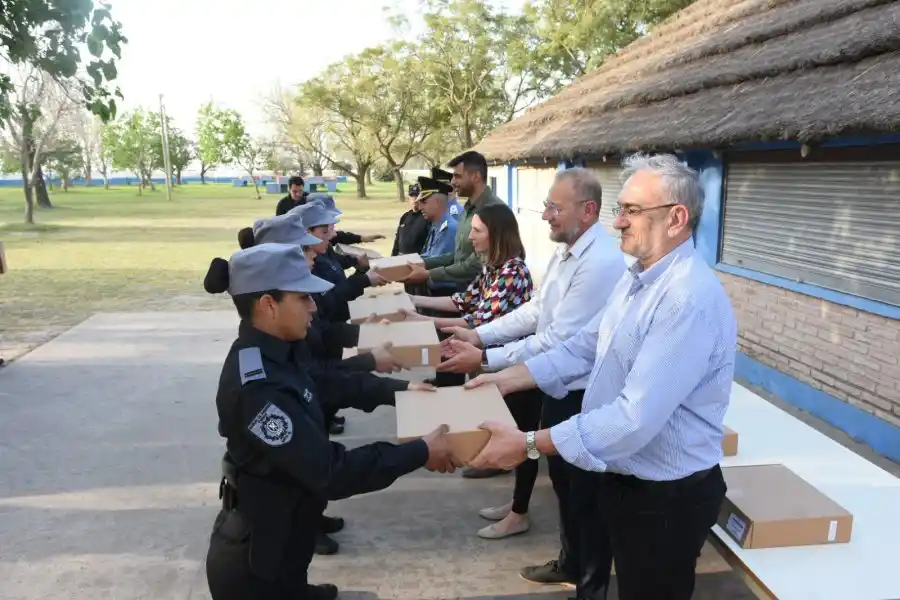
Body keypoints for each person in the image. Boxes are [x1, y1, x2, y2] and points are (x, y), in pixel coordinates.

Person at [464, 153, 738, 600]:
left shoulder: (685, 299)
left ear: (676, 219)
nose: (618, 222)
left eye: (632, 211)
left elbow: (633, 418)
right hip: (629, 479)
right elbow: (585, 345)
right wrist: (506, 377)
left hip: (665, 498)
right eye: (619, 209)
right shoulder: (639, 277)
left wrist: (529, 443)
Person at [202, 244, 459, 600]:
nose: (313, 307)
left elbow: (325, 383)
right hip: (257, 561)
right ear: (269, 305)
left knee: (293, 571)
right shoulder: (258, 388)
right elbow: (330, 471)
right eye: (303, 298)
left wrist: (399, 391)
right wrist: (421, 451)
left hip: (287, 528)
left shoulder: (279, 350)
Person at [436, 168, 626, 596]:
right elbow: (537, 311)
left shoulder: (600, 262)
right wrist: (479, 335)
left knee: (586, 496)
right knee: (564, 485)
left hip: (583, 394)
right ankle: (570, 563)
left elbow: (560, 340)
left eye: (554, 207)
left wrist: (489, 359)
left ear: (587, 210)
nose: (545, 215)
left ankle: (590, 586)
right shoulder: (567, 251)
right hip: (557, 386)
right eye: (546, 206)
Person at [403, 151, 506, 292]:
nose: (452, 182)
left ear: (475, 177)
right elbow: (459, 256)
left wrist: (429, 273)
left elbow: (476, 262)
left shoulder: (494, 210)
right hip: (465, 294)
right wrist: (424, 262)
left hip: (483, 294)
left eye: (458, 176)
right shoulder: (468, 209)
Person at [415, 176, 458, 297]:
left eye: (424, 202)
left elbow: (438, 262)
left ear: (437, 202)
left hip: (445, 293)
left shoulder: (450, 228)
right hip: (433, 289)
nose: (420, 207)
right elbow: (428, 254)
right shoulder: (437, 226)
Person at [391, 183, 430, 273]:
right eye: (412, 197)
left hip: (418, 261)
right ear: (408, 199)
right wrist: (393, 258)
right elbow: (397, 239)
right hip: (402, 259)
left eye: (416, 196)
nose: (414, 200)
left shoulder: (426, 217)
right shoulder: (405, 216)